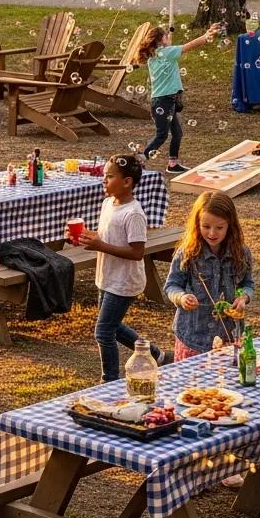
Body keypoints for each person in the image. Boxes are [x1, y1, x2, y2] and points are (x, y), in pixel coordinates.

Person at [79, 153, 166, 381]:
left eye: (109, 177)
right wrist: (90, 239)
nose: (104, 181)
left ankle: (109, 381)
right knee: (113, 327)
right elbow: (107, 236)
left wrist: (101, 245)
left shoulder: (134, 214)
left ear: (127, 182)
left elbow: (137, 253)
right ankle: (155, 354)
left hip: (124, 282)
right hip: (107, 277)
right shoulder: (109, 203)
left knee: (104, 331)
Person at [164, 191, 254, 359]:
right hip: (193, 338)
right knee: (192, 383)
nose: (212, 233)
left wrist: (243, 298)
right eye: (206, 227)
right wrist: (181, 297)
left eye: (219, 227)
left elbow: (247, 284)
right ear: (197, 224)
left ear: (230, 225)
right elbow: (171, 285)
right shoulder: (187, 253)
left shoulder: (242, 253)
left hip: (229, 335)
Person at [138, 22, 225, 173]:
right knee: (162, 135)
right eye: (166, 35)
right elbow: (189, 46)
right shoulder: (166, 53)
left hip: (165, 101)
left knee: (177, 133)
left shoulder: (155, 56)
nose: (169, 37)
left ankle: (173, 164)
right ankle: (140, 161)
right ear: (161, 40)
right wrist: (207, 34)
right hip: (163, 102)